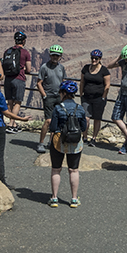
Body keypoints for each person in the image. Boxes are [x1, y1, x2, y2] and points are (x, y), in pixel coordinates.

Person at [48, 80, 88, 208]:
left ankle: (54, 198)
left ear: (64, 93)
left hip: (59, 141)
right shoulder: (80, 109)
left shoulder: (58, 108)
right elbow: (83, 127)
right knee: (73, 170)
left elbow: (53, 127)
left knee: (56, 169)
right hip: (75, 142)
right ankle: (74, 199)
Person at [36, 45, 66, 153]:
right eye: (53, 55)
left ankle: (52, 142)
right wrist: (44, 95)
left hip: (59, 97)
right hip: (49, 97)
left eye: (57, 56)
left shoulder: (61, 67)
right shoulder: (44, 67)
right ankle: (41, 143)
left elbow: (64, 81)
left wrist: (64, 95)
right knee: (48, 121)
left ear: (60, 56)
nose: (55, 57)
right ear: (50, 55)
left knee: (57, 121)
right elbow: (39, 83)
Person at [3, 31, 32, 134]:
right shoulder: (25, 53)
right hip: (18, 79)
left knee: (10, 102)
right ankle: (12, 123)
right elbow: (28, 69)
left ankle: (11, 124)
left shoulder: (8, 51)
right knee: (18, 102)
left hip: (8, 79)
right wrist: (23, 68)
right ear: (23, 41)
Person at [80, 49, 110, 146]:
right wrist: (81, 94)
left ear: (100, 59)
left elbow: (107, 85)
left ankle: (94, 138)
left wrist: (103, 97)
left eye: (96, 58)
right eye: (92, 58)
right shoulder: (85, 68)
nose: (93, 60)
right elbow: (82, 82)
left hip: (98, 98)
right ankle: (84, 137)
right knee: (86, 118)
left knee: (97, 118)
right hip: (86, 97)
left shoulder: (104, 70)